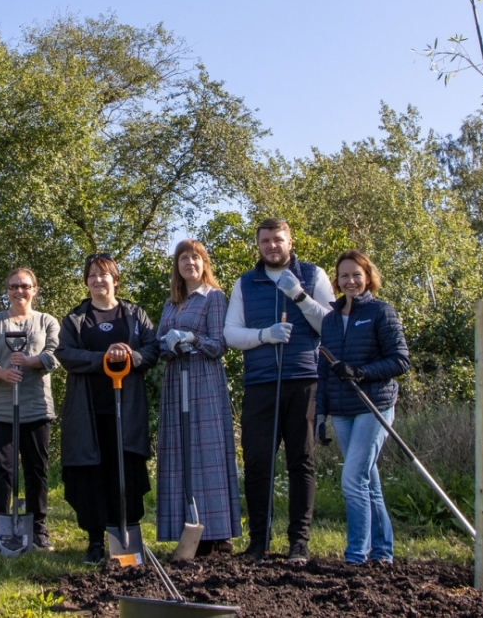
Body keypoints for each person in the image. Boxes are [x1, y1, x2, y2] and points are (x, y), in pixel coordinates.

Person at [224, 218, 334, 563]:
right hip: (260, 383)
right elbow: (230, 334)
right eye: (265, 241)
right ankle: (259, 542)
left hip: (303, 381)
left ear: (290, 241)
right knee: (257, 464)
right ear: (258, 245)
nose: (272, 246)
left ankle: (298, 543)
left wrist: (299, 296)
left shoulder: (314, 275)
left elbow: (329, 327)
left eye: (278, 240)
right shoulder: (245, 282)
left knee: (301, 461)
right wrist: (263, 335)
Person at [57, 253, 160, 565]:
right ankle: (95, 542)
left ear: (115, 279)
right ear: (86, 281)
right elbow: (64, 353)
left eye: (104, 275)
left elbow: (153, 349)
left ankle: (126, 535)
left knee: (125, 470)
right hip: (88, 411)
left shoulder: (134, 315)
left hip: (126, 409)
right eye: (92, 275)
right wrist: (102, 358)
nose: (98, 280)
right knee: (92, 474)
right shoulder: (75, 319)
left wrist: (130, 357)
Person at [317, 250, 410, 565]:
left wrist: (361, 372)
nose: (351, 281)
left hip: (374, 407)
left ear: (368, 276)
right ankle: (382, 553)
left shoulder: (382, 312)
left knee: (352, 479)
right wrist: (320, 413)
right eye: (344, 276)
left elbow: (400, 359)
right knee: (368, 483)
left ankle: (356, 555)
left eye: (356, 274)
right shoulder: (329, 321)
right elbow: (323, 369)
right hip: (342, 411)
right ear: (337, 280)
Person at [155, 240, 241, 555]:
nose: (189, 263)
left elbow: (219, 344)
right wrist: (168, 346)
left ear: (204, 263)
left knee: (207, 453)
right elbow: (158, 344)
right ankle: (185, 528)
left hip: (203, 381)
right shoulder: (171, 303)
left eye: (195, 257)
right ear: (177, 266)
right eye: (183, 258)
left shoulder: (213, 297)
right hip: (176, 382)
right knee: (178, 453)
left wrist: (193, 339)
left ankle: (216, 533)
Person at [0, 267, 61, 551]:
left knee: (37, 469)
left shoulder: (46, 321)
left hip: (35, 405)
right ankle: (0, 525)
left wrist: (29, 361)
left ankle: (37, 528)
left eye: (25, 286)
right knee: (2, 468)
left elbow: (54, 355)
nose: (19, 291)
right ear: (7, 290)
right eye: (13, 286)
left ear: (34, 289)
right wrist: (3, 372)